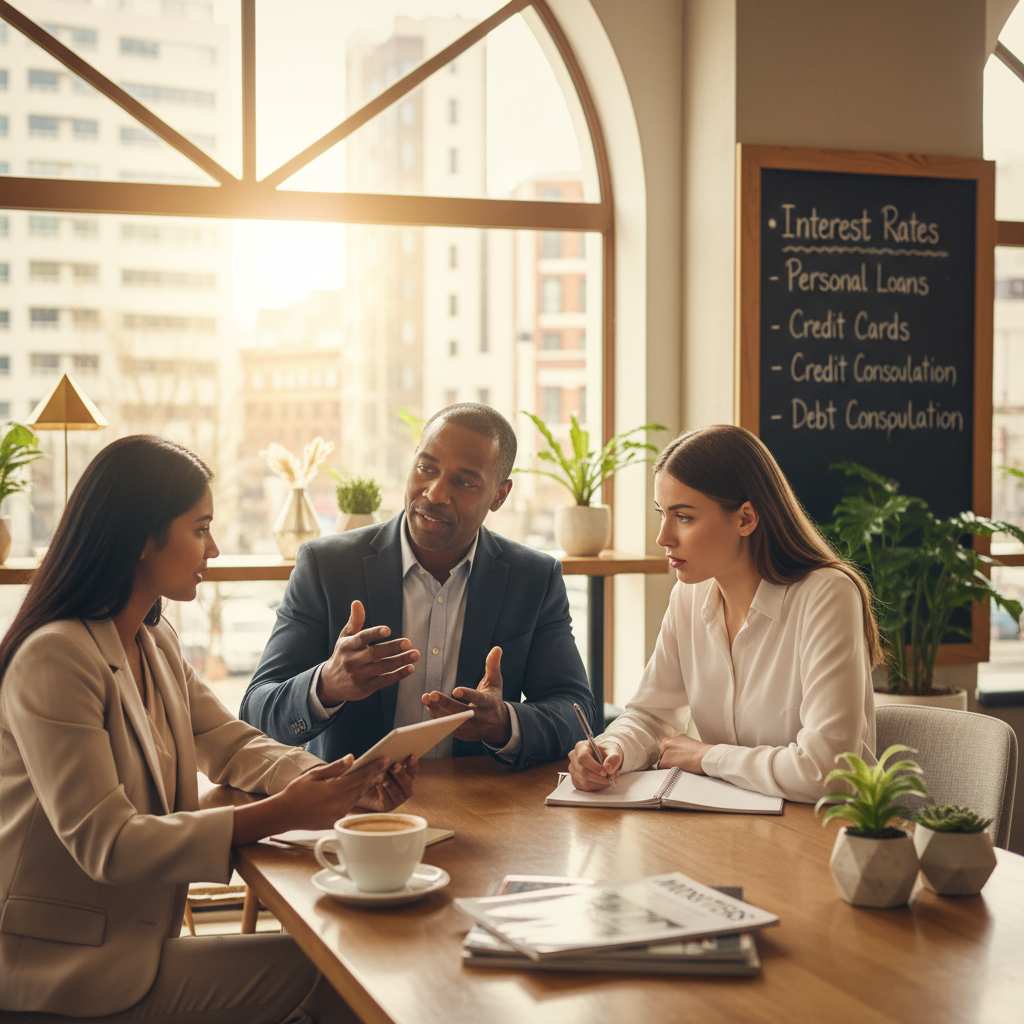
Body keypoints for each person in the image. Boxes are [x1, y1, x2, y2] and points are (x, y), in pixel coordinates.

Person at [0, 436, 416, 1022]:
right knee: (341, 974)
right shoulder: (56, 658)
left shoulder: (152, 638)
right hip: (61, 974)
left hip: (135, 947)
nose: (214, 548)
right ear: (143, 538)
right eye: (200, 529)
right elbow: (108, 845)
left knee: (346, 960)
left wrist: (342, 781)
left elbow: (231, 743)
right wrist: (285, 812)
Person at [241, 403, 593, 769]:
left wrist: (504, 723)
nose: (435, 493)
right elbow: (255, 714)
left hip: (484, 806)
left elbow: (578, 714)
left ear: (500, 495)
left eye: (464, 481)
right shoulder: (327, 567)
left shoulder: (533, 579)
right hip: (354, 810)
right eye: (426, 468)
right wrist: (326, 684)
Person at [568, 424, 879, 803]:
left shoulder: (826, 596)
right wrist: (611, 748)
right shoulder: (688, 596)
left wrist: (707, 756)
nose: (663, 537)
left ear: (746, 518)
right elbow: (652, 717)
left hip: (821, 836)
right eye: (661, 514)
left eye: (683, 517)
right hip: (732, 832)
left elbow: (827, 770)